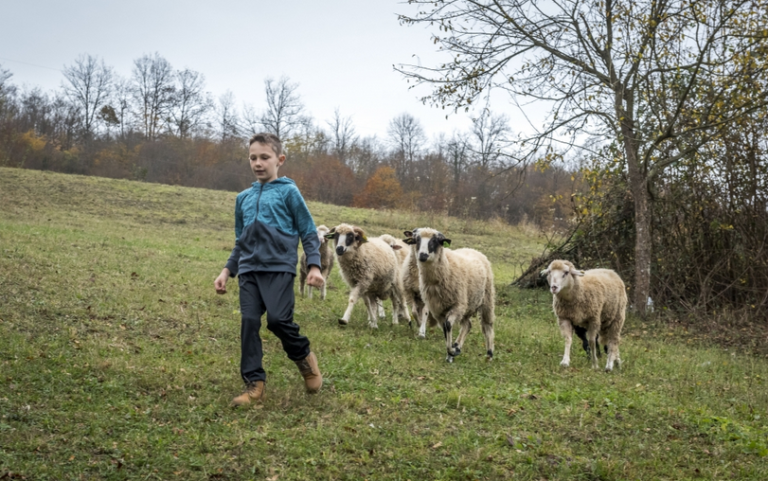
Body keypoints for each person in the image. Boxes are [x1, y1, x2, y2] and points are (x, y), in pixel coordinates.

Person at [214, 132, 324, 406]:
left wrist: (314, 266)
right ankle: (254, 384)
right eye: (253, 158)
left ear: (280, 160)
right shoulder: (243, 198)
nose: (258, 163)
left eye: (265, 157)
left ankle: (305, 358)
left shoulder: (289, 192)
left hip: (279, 268)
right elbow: (241, 241)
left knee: (278, 321)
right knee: (249, 322)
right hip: (250, 270)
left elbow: (308, 231)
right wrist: (227, 270)